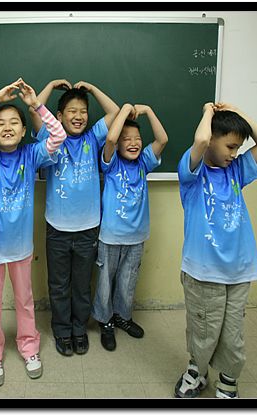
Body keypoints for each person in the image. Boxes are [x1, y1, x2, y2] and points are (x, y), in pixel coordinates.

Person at [0, 78, 66, 387]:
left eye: (15, 123)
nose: (7, 127)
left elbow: (57, 134)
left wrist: (34, 105)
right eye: (0, 124)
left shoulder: (32, 155)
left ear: (23, 131)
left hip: (20, 246)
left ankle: (29, 347)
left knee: (24, 302)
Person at [174, 102, 257, 398]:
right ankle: (196, 370)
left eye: (238, 147)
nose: (234, 154)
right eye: (230, 146)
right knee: (204, 331)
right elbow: (202, 141)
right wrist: (208, 111)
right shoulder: (191, 173)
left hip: (239, 269)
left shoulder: (237, 170)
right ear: (214, 140)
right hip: (203, 270)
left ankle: (229, 380)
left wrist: (239, 114)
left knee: (233, 334)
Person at [29, 79, 119, 356]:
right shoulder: (51, 138)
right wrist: (52, 85)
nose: (79, 116)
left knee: (82, 284)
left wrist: (91, 89)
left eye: (83, 111)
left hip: (88, 227)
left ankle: (79, 329)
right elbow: (34, 110)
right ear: (58, 116)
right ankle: (62, 330)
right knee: (58, 284)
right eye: (72, 111)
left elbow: (114, 112)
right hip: (57, 226)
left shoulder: (93, 138)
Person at [91, 103, 168, 351]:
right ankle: (105, 321)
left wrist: (149, 111)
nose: (133, 143)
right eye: (127, 139)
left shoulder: (144, 162)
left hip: (137, 236)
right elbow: (111, 137)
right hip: (110, 236)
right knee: (105, 281)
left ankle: (122, 316)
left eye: (137, 138)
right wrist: (125, 109)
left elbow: (162, 139)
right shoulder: (110, 164)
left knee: (128, 280)